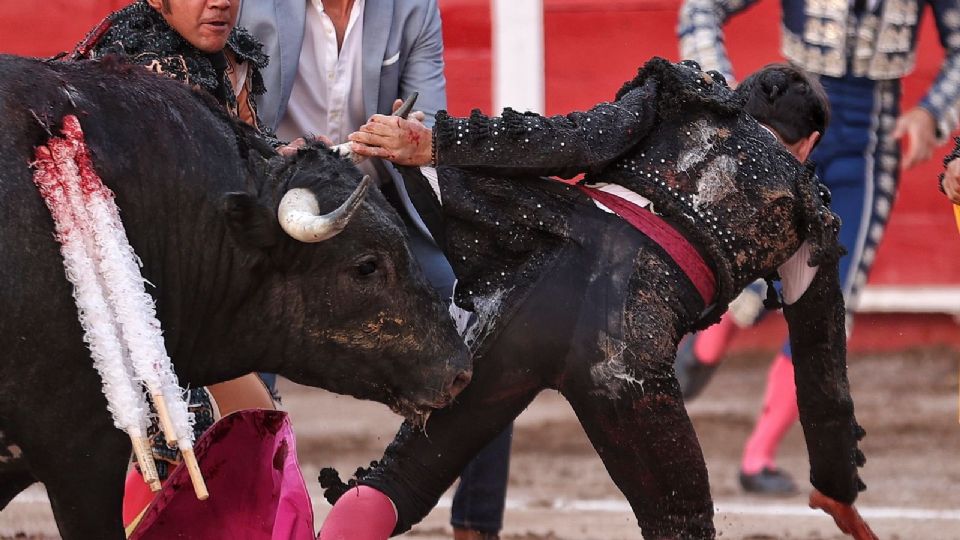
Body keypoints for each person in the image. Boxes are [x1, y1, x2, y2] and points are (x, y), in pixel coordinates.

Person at [314, 59, 876, 539]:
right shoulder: (803, 213)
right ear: (810, 145)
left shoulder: (679, 102)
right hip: (628, 342)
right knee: (683, 527)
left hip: (532, 288)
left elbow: (571, 139)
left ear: (736, 101)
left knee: (401, 480)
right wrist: (836, 484)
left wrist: (439, 142)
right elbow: (821, 371)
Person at [236, 2, 512, 538]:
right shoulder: (254, 4)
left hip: (379, 211)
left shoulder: (411, 7)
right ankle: (245, 520)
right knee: (241, 351)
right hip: (278, 216)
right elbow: (231, 114)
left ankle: (477, 526)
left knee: (487, 321)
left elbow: (429, 124)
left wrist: (405, 137)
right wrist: (275, 156)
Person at [675, 0, 960, 494]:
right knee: (753, 266)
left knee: (831, 295)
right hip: (782, 132)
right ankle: (707, 344)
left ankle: (758, 455)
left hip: (869, 145)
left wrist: (934, 115)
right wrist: (722, 96)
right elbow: (701, 9)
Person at [70, 0, 280, 529]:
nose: (220, 2)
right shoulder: (134, 64)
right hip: (109, 293)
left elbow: (243, 169)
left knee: (251, 431)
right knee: (197, 431)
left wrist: (288, 163)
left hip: (180, 290)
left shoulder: (235, 57)